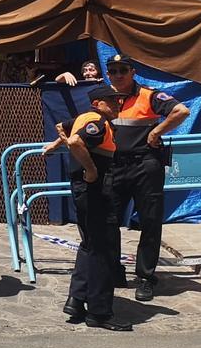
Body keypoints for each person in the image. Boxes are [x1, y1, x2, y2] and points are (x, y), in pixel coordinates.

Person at [45, 85, 134, 331]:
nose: (117, 104)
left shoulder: (85, 117)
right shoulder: (97, 120)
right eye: (112, 100)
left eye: (118, 100)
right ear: (97, 103)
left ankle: (77, 299)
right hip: (95, 190)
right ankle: (99, 312)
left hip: (85, 191)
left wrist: (54, 145)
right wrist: (92, 170)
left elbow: (62, 128)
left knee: (89, 245)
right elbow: (75, 141)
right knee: (103, 251)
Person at [104, 54, 189, 302]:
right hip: (115, 165)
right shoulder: (104, 97)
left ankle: (145, 278)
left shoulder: (149, 95)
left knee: (150, 222)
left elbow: (181, 111)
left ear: (132, 72)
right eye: (113, 71)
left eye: (122, 70)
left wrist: (156, 132)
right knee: (108, 221)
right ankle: (114, 271)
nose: (118, 75)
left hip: (145, 165)